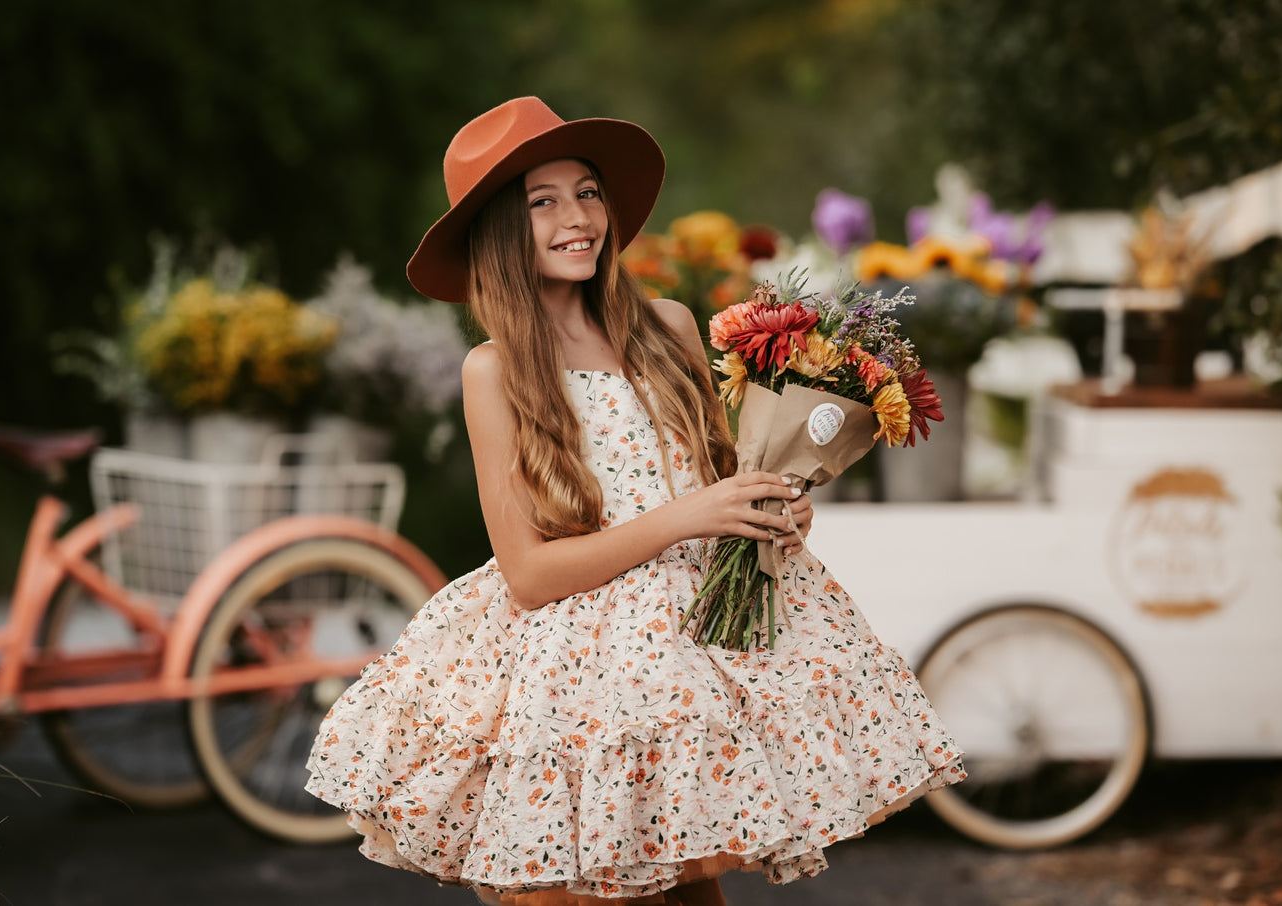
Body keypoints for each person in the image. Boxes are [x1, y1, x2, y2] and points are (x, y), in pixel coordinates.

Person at [306, 97, 965, 906]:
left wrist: (776, 511)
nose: (577, 217)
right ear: (499, 235)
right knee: (576, 891)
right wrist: (684, 518)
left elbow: (724, 482)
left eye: (586, 192)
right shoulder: (496, 371)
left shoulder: (669, 326)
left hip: (695, 653)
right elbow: (528, 577)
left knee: (688, 889)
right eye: (540, 202)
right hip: (577, 677)